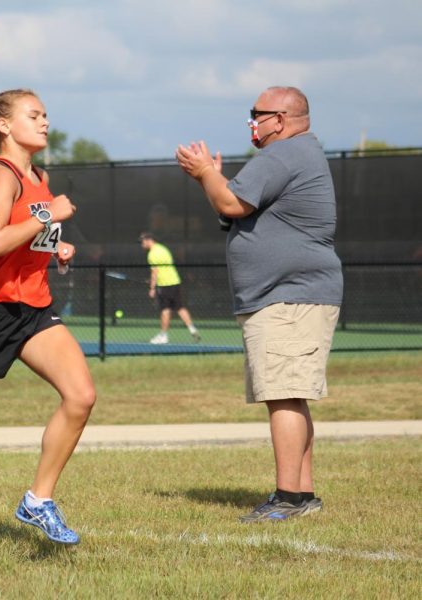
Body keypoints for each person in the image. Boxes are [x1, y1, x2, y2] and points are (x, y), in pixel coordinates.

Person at [176, 86, 342, 522]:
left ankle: (288, 497)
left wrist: (204, 175)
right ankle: (302, 494)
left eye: (257, 114)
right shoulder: (297, 154)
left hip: (286, 296)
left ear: (281, 119)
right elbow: (235, 210)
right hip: (291, 295)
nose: (252, 121)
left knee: (284, 395)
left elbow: (230, 200)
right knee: (293, 395)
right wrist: (214, 179)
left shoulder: (282, 155)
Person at [0, 89, 96, 544]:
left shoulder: (39, 175)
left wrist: (56, 246)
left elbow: (24, 236)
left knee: (81, 396)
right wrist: (49, 213)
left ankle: (37, 500)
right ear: (6, 126)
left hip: (34, 307)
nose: (45, 122)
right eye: (35, 115)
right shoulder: (0, 172)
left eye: (46, 114)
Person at [137, 232, 200, 344]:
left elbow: (155, 272)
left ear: (148, 240)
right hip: (175, 281)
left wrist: (152, 288)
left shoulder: (152, 254)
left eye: (142, 242)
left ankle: (163, 336)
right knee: (180, 308)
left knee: (165, 310)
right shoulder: (163, 248)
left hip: (164, 285)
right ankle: (192, 329)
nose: (142, 245)